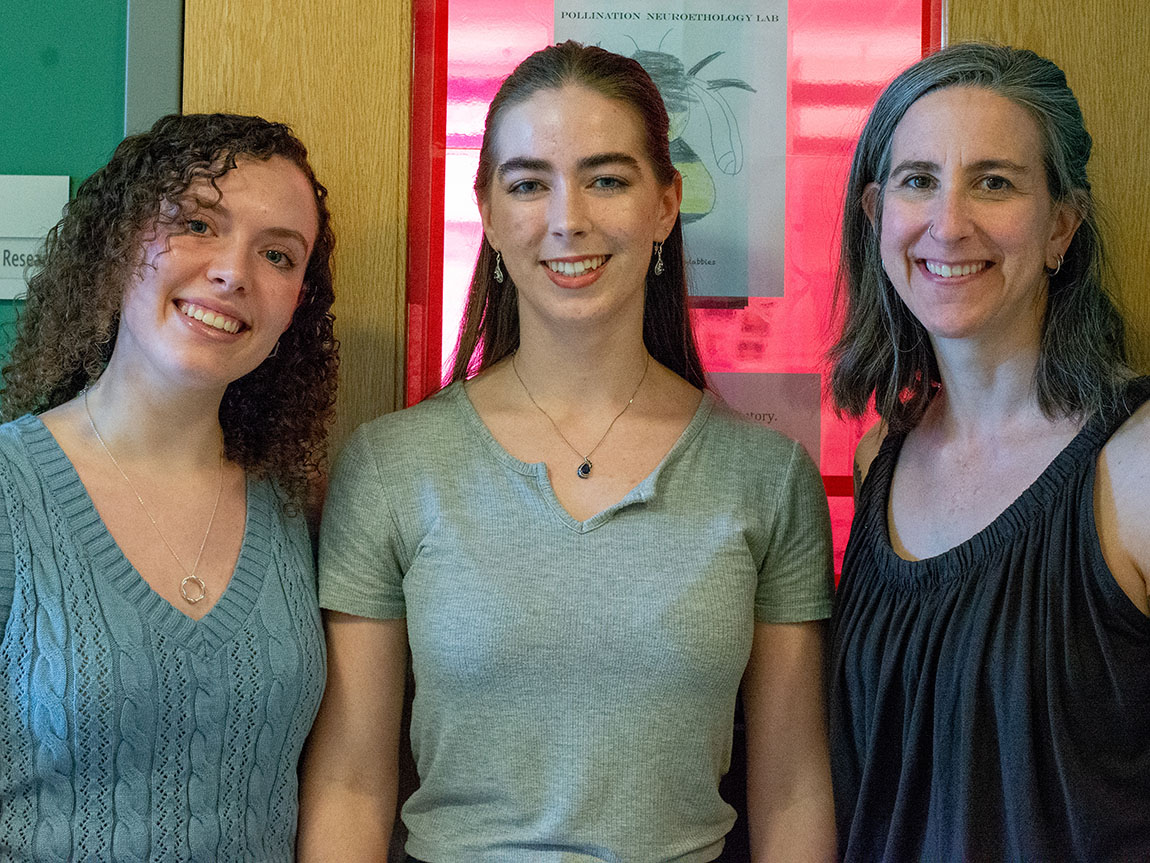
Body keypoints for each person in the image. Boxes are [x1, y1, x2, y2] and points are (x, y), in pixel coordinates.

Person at [301, 40, 835, 862]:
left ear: (666, 206)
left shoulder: (767, 477)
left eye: (607, 178)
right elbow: (351, 784)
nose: (568, 218)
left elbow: (793, 787)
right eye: (528, 183)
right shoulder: (390, 467)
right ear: (487, 210)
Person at [827, 41, 1150, 860]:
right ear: (876, 218)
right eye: (919, 180)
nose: (949, 223)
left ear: (1061, 227)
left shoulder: (1137, 466)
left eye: (994, 182)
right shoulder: (880, 463)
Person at [0, 113, 338, 860]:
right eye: (197, 223)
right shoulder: (9, 491)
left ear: (296, 305)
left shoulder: (296, 505)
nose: (233, 271)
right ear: (119, 242)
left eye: (278, 254)